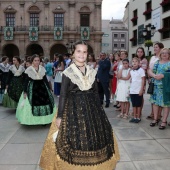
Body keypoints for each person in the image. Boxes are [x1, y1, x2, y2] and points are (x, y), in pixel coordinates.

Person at [39, 41, 119, 170]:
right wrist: (59, 117)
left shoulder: (92, 71)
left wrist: (100, 111)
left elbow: (95, 92)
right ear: (73, 53)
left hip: (92, 108)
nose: (82, 54)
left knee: (96, 137)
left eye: (84, 51)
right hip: (73, 109)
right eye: (79, 51)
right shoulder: (68, 72)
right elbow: (63, 95)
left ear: (87, 54)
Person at [16, 54, 56, 125]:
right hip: (33, 87)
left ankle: (45, 120)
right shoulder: (29, 69)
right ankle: (33, 121)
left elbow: (45, 80)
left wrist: (49, 89)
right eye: (35, 60)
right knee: (33, 103)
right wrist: (25, 91)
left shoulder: (42, 68)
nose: (37, 62)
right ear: (32, 61)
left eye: (38, 60)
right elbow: (26, 81)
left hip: (43, 87)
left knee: (46, 102)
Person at [149, 48, 170, 130]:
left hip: (166, 87)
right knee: (155, 103)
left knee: (166, 104)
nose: (164, 54)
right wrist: (154, 76)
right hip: (156, 86)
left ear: (169, 55)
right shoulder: (157, 62)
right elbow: (150, 70)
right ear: (160, 54)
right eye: (163, 53)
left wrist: (164, 75)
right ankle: (155, 119)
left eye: (166, 53)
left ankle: (164, 121)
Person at [147, 42, 164, 120]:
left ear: (160, 48)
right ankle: (153, 113)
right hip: (152, 78)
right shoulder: (153, 57)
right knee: (152, 96)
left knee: (160, 97)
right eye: (154, 47)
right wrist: (149, 77)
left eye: (156, 47)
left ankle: (159, 114)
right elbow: (149, 67)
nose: (155, 48)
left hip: (160, 79)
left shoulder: (162, 58)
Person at [127, 57, 145, 123]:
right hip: (132, 90)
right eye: (133, 61)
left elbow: (143, 80)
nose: (134, 63)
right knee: (134, 104)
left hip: (138, 90)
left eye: (136, 61)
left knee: (138, 104)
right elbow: (128, 78)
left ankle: (138, 117)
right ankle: (134, 117)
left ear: (139, 63)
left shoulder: (141, 70)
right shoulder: (131, 71)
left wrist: (141, 89)